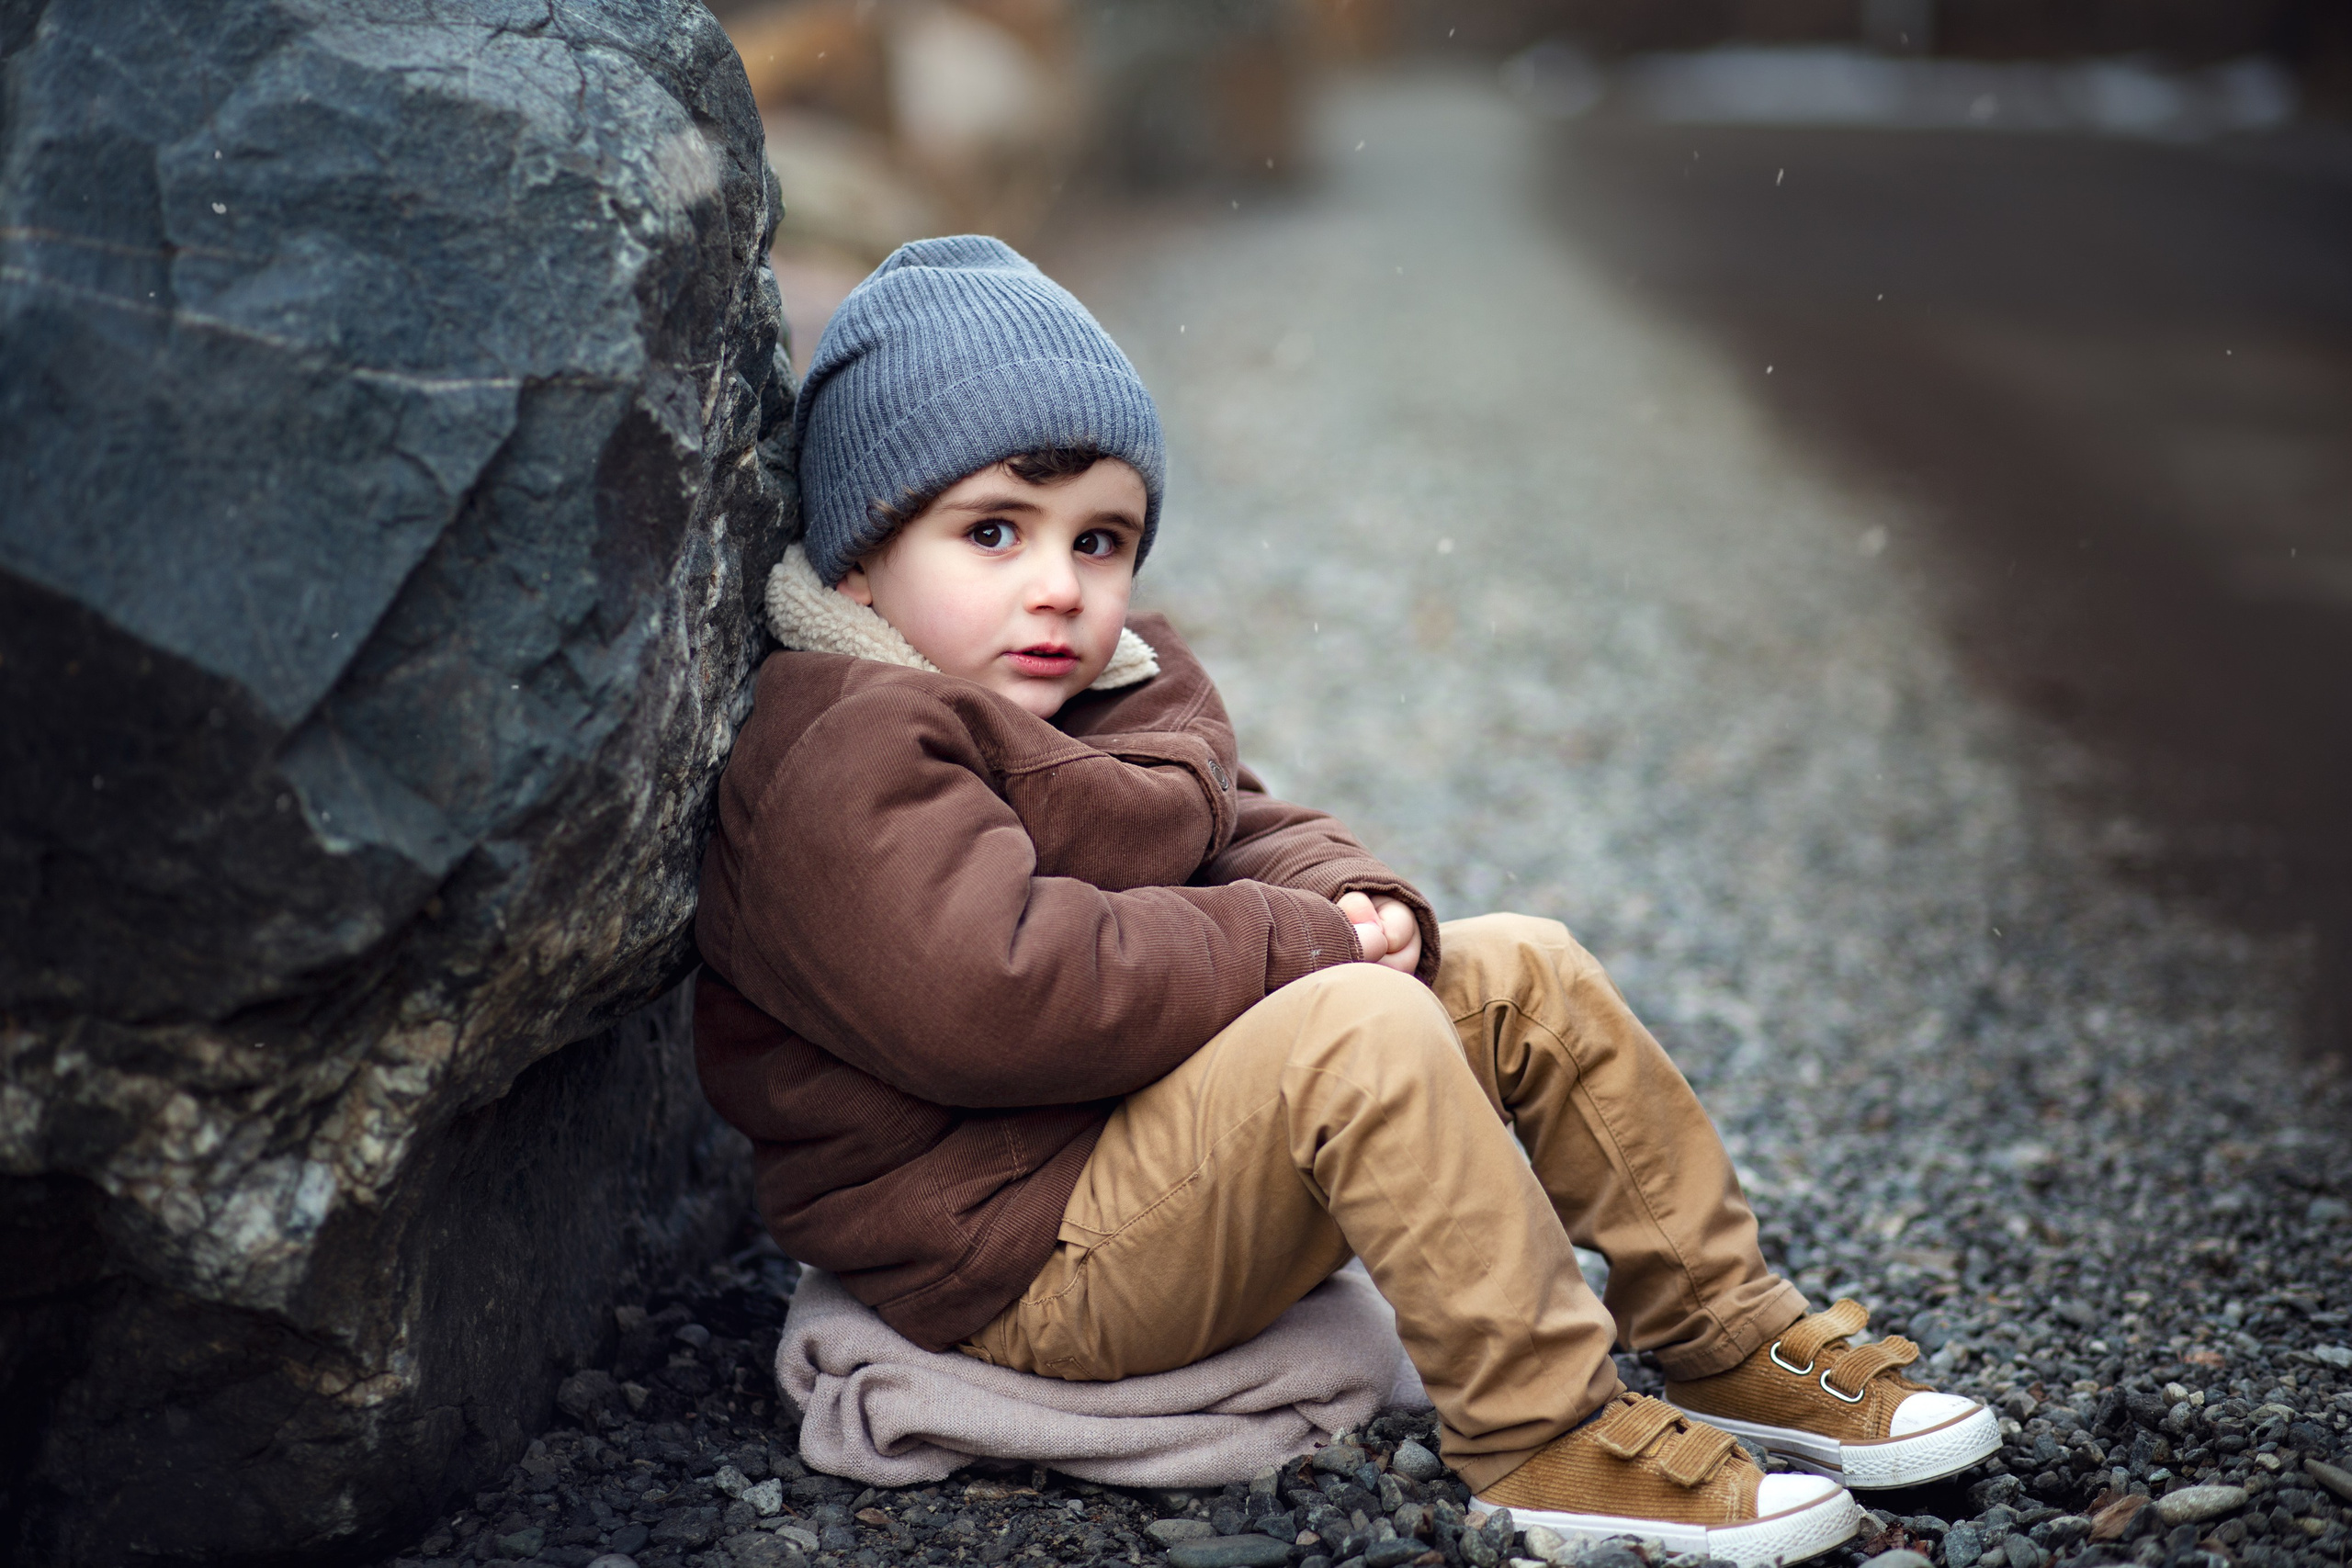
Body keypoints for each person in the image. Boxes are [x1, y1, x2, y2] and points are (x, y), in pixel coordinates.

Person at [693, 236, 1999, 1565]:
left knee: (1517, 968)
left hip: (1130, 1155)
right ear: (859, 560)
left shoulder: (1100, 693)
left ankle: (1723, 1329)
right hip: (1008, 1250)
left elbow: (1243, 827)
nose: (1058, 588)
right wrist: (1304, 947)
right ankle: (1545, 1436)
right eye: (991, 533)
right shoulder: (848, 747)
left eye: (1102, 539)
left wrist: (1354, 899)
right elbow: (992, 987)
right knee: (1356, 1033)